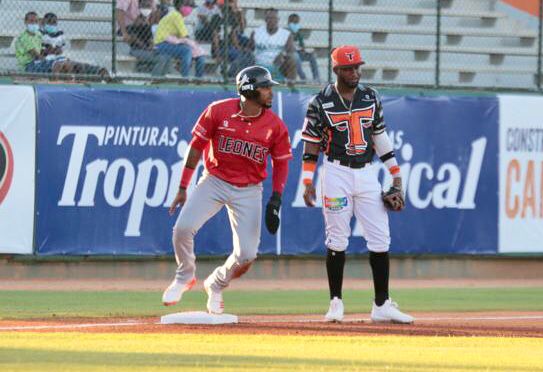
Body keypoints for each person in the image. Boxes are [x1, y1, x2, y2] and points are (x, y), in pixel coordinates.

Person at [162, 66, 292, 313]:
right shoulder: (218, 111)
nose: (270, 92)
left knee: (246, 255)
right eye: (265, 87)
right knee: (182, 229)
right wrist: (183, 186)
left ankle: (216, 284)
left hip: (249, 189)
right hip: (214, 180)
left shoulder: (274, 125)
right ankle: (184, 277)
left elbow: (282, 162)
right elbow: (196, 146)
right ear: (249, 88)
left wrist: (276, 198)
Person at [300, 45, 414, 324]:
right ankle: (336, 302)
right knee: (337, 238)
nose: (355, 72)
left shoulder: (370, 96)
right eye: (349, 68)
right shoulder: (320, 101)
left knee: (380, 237)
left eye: (357, 67)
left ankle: (381, 304)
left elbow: (380, 137)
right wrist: (307, 180)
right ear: (336, 70)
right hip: (335, 172)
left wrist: (396, 175)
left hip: (366, 173)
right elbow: (311, 144)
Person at [40, 12, 111, 80]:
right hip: (48, 60)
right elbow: (42, 51)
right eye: (49, 22)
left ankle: (100, 75)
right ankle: (67, 82)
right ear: (44, 22)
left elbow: (60, 50)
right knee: (67, 66)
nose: (52, 24)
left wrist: (53, 49)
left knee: (80, 66)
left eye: (54, 22)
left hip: (60, 58)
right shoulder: (40, 33)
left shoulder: (59, 33)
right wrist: (51, 50)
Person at [154, 0, 206, 78]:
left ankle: (199, 80)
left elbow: (183, 38)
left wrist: (195, 47)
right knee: (187, 51)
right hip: (161, 44)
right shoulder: (176, 15)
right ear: (180, 5)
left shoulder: (179, 16)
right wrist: (195, 46)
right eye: (187, 5)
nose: (190, 8)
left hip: (171, 44)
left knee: (201, 56)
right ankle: (185, 78)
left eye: (191, 6)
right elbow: (185, 36)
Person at [124, 0, 173, 76]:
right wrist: (147, 48)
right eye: (144, 5)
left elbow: (150, 39)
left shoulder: (148, 23)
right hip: (136, 50)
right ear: (139, 7)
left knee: (168, 57)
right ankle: (154, 80)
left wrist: (151, 46)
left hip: (147, 49)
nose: (146, 8)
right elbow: (134, 39)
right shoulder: (135, 21)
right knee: (161, 59)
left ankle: (161, 78)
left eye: (148, 6)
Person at [250, 8, 296, 83]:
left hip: (279, 65)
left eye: (274, 18)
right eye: (269, 18)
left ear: (278, 19)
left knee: (293, 59)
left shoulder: (286, 34)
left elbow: (291, 51)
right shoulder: (256, 32)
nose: (271, 20)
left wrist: (283, 55)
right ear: (265, 20)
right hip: (260, 64)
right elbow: (249, 50)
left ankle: (291, 87)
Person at [287, 13, 320, 84]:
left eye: (297, 23)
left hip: (299, 53)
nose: (295, 25)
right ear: (289, 23)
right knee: (296, 58)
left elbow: (302, 47)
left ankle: (316, 78)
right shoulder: (286, 34)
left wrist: (305, 51)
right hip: (290, 55)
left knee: (312, 56)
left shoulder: (299, 34)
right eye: (293, 23)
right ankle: (303, 78)